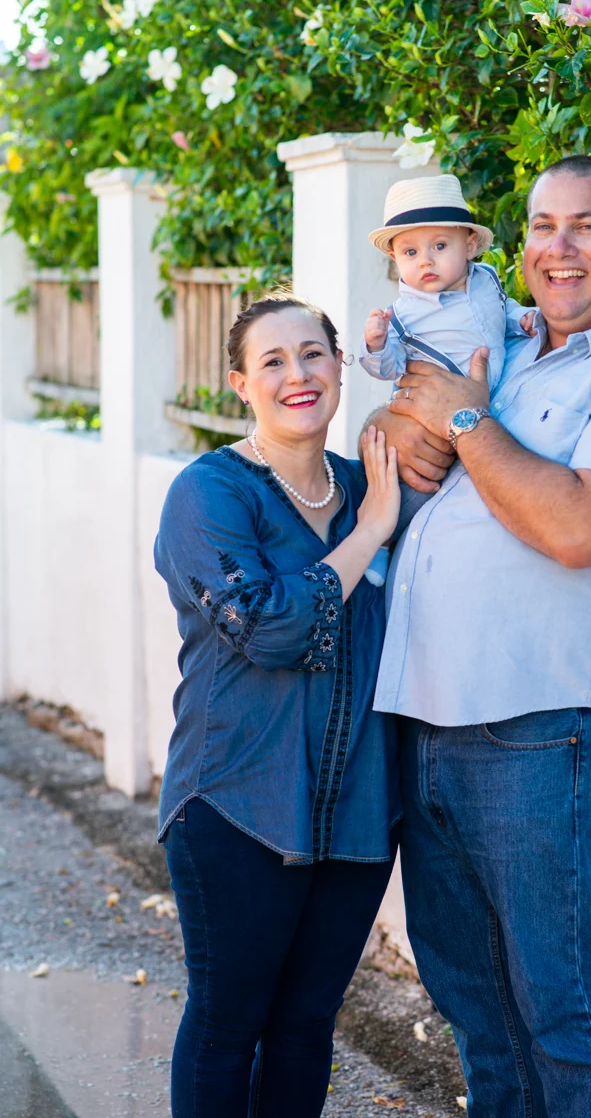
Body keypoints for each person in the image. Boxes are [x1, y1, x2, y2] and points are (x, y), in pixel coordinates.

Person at [367, 156, 591, 1117]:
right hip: (421, 719)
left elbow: (575, 526)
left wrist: (459, 416)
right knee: (478, 1012)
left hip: (542, 729)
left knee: (567, 1013)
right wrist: (392, 422)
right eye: (540, 226)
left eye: (586, 226)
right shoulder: (508, 343)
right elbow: (407, 426)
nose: (557, 248)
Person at [153, 295, 401, 1118]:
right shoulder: (210, 493)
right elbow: (265, 627)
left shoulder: (369, 482)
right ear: (240, 384)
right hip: (236, 801)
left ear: (339, 366)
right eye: (272, 360)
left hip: (357, 809)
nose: (298, 374)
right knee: (229, 1023)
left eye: (313, 353)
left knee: (305, 1025)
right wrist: (368, 533)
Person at [361, 173, 534, 388]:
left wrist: (519, 317)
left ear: (469, 246)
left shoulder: (486, 278)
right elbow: (388, 369)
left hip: (496, 396)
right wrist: (376, 346)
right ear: (395, 258)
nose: (425, 261)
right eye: (411, 252)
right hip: (436, 403)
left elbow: (499, 308)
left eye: (440, 246)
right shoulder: (399, 318)